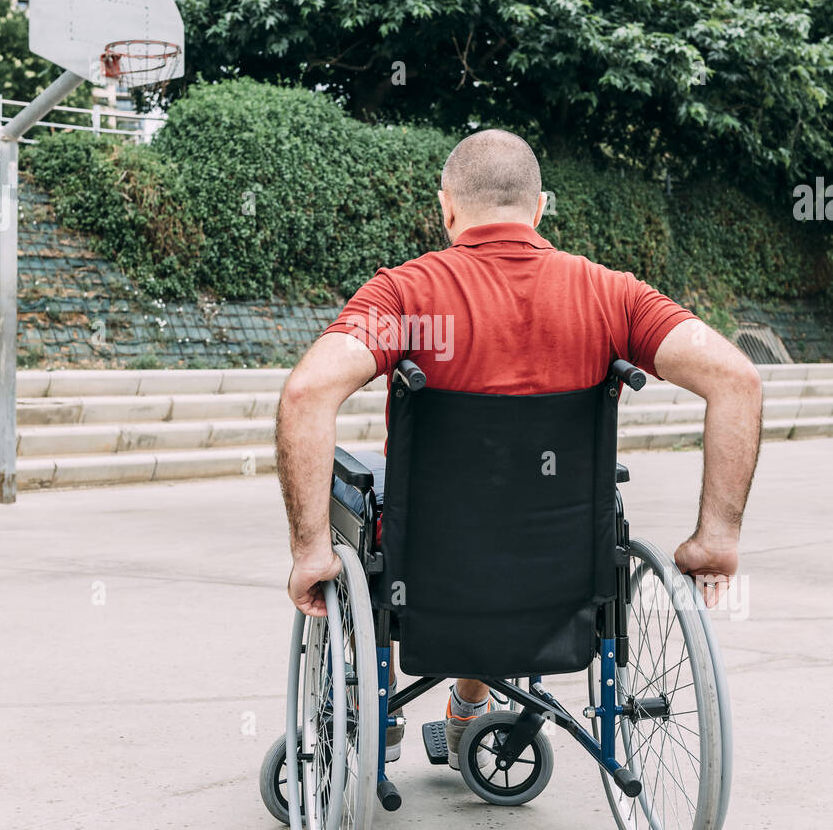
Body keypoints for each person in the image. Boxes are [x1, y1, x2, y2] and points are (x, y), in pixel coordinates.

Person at [275, 129, 762, 767]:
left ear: (448, 208)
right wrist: (716, 536)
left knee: (362, 494)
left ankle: (375, 699)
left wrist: (311, 550)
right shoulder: (614, 295)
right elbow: (738, 379)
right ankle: (471, 708)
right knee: (517, 522)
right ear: (538, 210)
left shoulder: (405, 295)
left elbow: (307, 394)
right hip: (565, 566)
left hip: (429, 565)